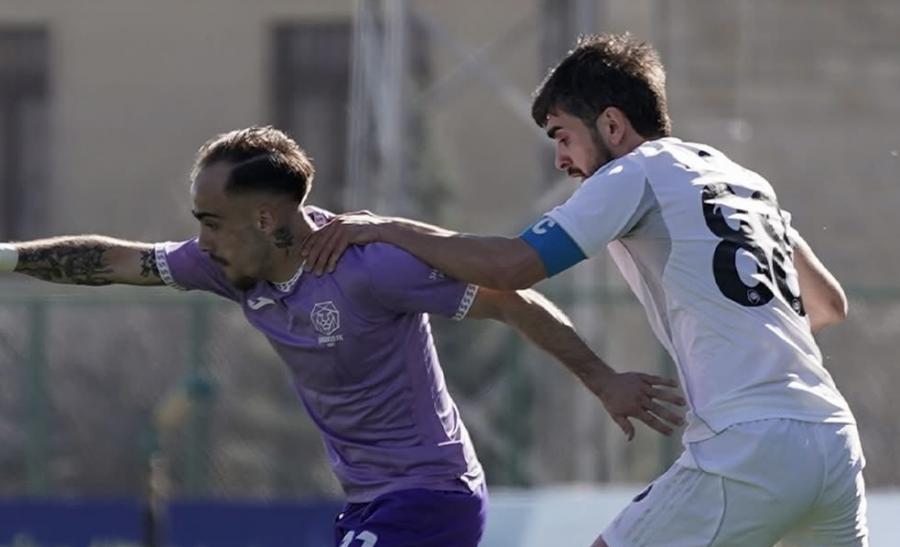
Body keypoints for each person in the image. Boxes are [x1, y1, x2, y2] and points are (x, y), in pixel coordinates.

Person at [299, 33, 867, 546]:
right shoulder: (742, 179)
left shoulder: (632, 173)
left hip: (750, 446)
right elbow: (827, 304)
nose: (561, 159)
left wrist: (385, 229)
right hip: (833, 440)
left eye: (563, 136)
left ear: (612, 126)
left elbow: (509, 269)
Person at [0, 126, 684, 547]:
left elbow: (510, 299)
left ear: (266, 220)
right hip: (368, 505)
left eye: (211, 222)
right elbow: (115, 261)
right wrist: (7, 259)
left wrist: (604, 380)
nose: (200, 241)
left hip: (431, 496)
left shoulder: (368, 267)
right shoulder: (225, 265)